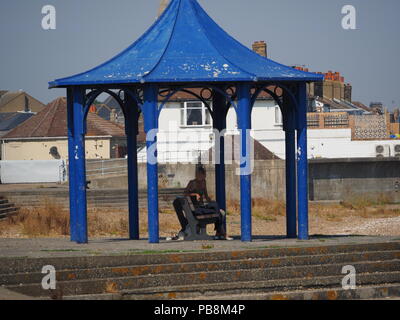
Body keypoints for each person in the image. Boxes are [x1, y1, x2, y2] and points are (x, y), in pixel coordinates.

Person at [170, 166, 233, 241]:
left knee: (216, 206)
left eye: (202, 175)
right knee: (219, 213)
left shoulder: (204, 182)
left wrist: (209, 200)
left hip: (202, 207)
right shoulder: (192, 183)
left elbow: (206, 195)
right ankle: (221, 232)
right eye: (199, 174)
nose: (201, 176)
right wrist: (194, 195)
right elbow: (185, 194)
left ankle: (220, 231)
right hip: (196, 209)